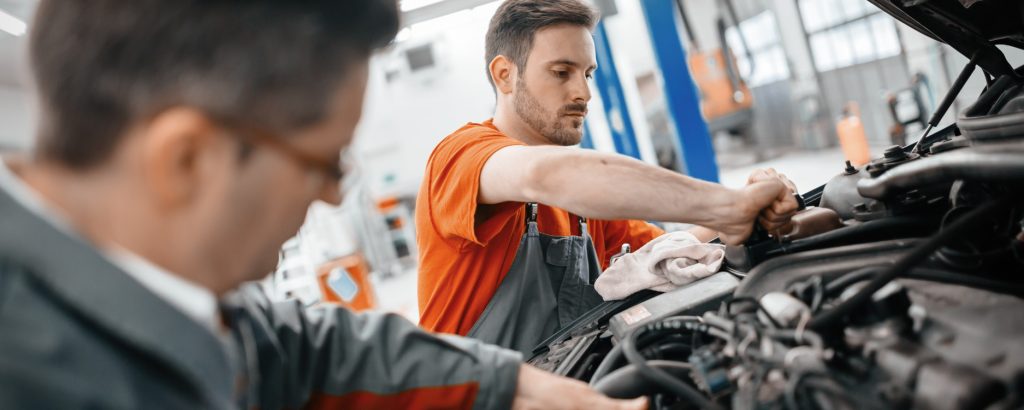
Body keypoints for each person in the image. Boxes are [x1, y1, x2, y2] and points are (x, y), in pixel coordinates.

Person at [0, 0, 647, 408]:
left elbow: (300, 345)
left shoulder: (178, 284)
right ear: (187, 159)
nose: (336, 194)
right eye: (324, 160)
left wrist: (516, 386)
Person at [416, 0, 799, 355]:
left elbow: (668, 250)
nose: (583, 92)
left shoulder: (588, 202)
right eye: (561, 72)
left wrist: (750, 205)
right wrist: (725, 206)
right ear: (505, 75)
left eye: (587, 74)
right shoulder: (461, 156)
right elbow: (541, 174)